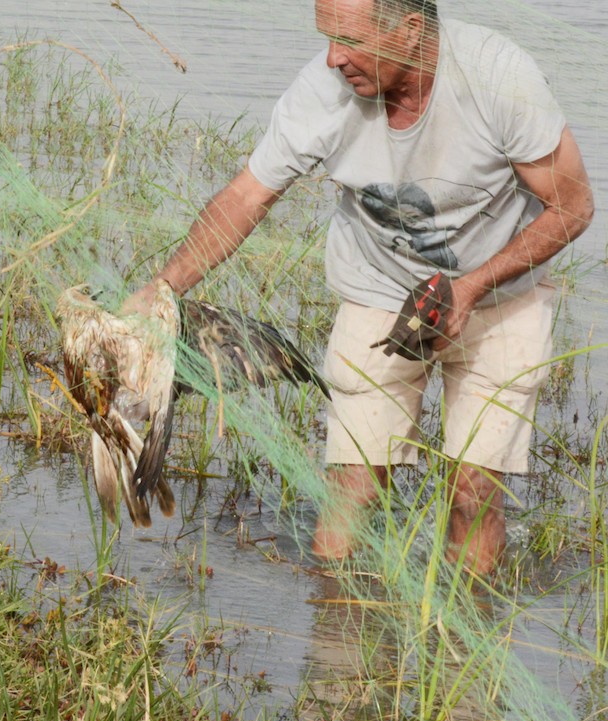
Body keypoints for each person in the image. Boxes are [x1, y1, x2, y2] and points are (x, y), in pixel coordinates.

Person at [125, 0, 594, 575]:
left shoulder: (498, 76)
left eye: (349, 39)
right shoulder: (322, 90)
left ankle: (460, 640)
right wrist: (163, 290)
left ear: (412, 31)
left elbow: (572, 207)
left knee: (473, 496)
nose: (332, 57)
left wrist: (468, 288)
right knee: (351, 486)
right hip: (378, 288)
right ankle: (338, 644)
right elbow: (247, 197)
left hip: (500, 294)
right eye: (326, 36)